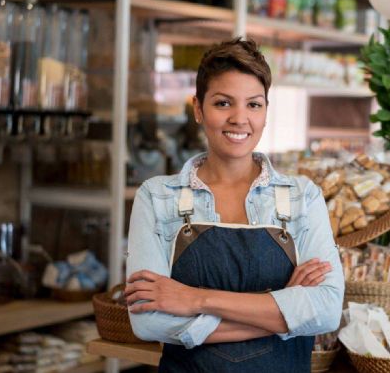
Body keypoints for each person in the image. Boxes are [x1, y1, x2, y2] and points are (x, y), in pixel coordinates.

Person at [124, 38, 344, 372]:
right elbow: (148, 321)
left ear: (266, 112)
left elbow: (326, 310)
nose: (240, 118)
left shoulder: (301, 197)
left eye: (254, 105)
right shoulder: (158, 197)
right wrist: (284, 313)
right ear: (198, 109)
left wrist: (195, 299)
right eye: (223, 103)